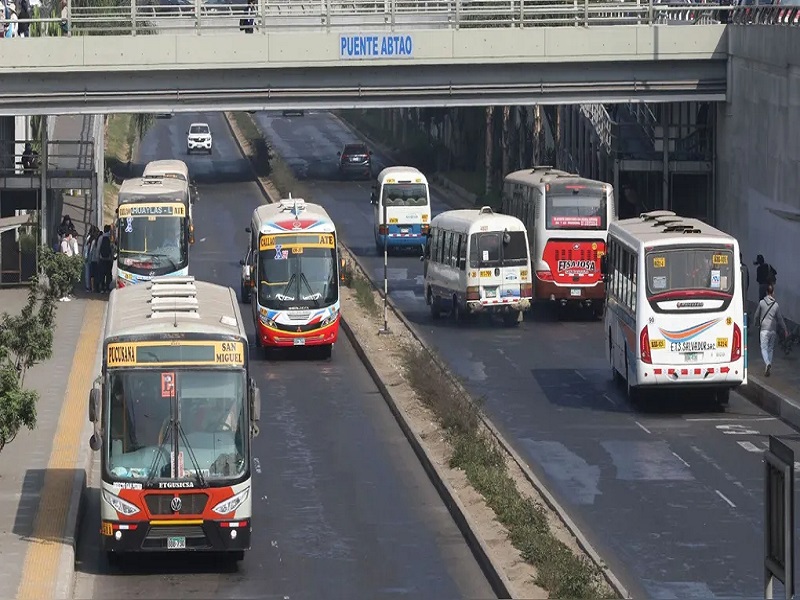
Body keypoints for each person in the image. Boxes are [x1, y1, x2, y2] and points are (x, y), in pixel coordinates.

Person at [752, 284, 788, 377]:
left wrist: (755, 324)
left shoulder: (761, 303)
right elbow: (780, 319)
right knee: (770, 348)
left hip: (764, 329)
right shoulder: (776, 305)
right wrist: (785, 329)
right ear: (772, 293)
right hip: (773, 330)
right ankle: (768, 366)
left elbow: (756, 315)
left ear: (766, 292)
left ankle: (767, 363)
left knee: (763, 348)